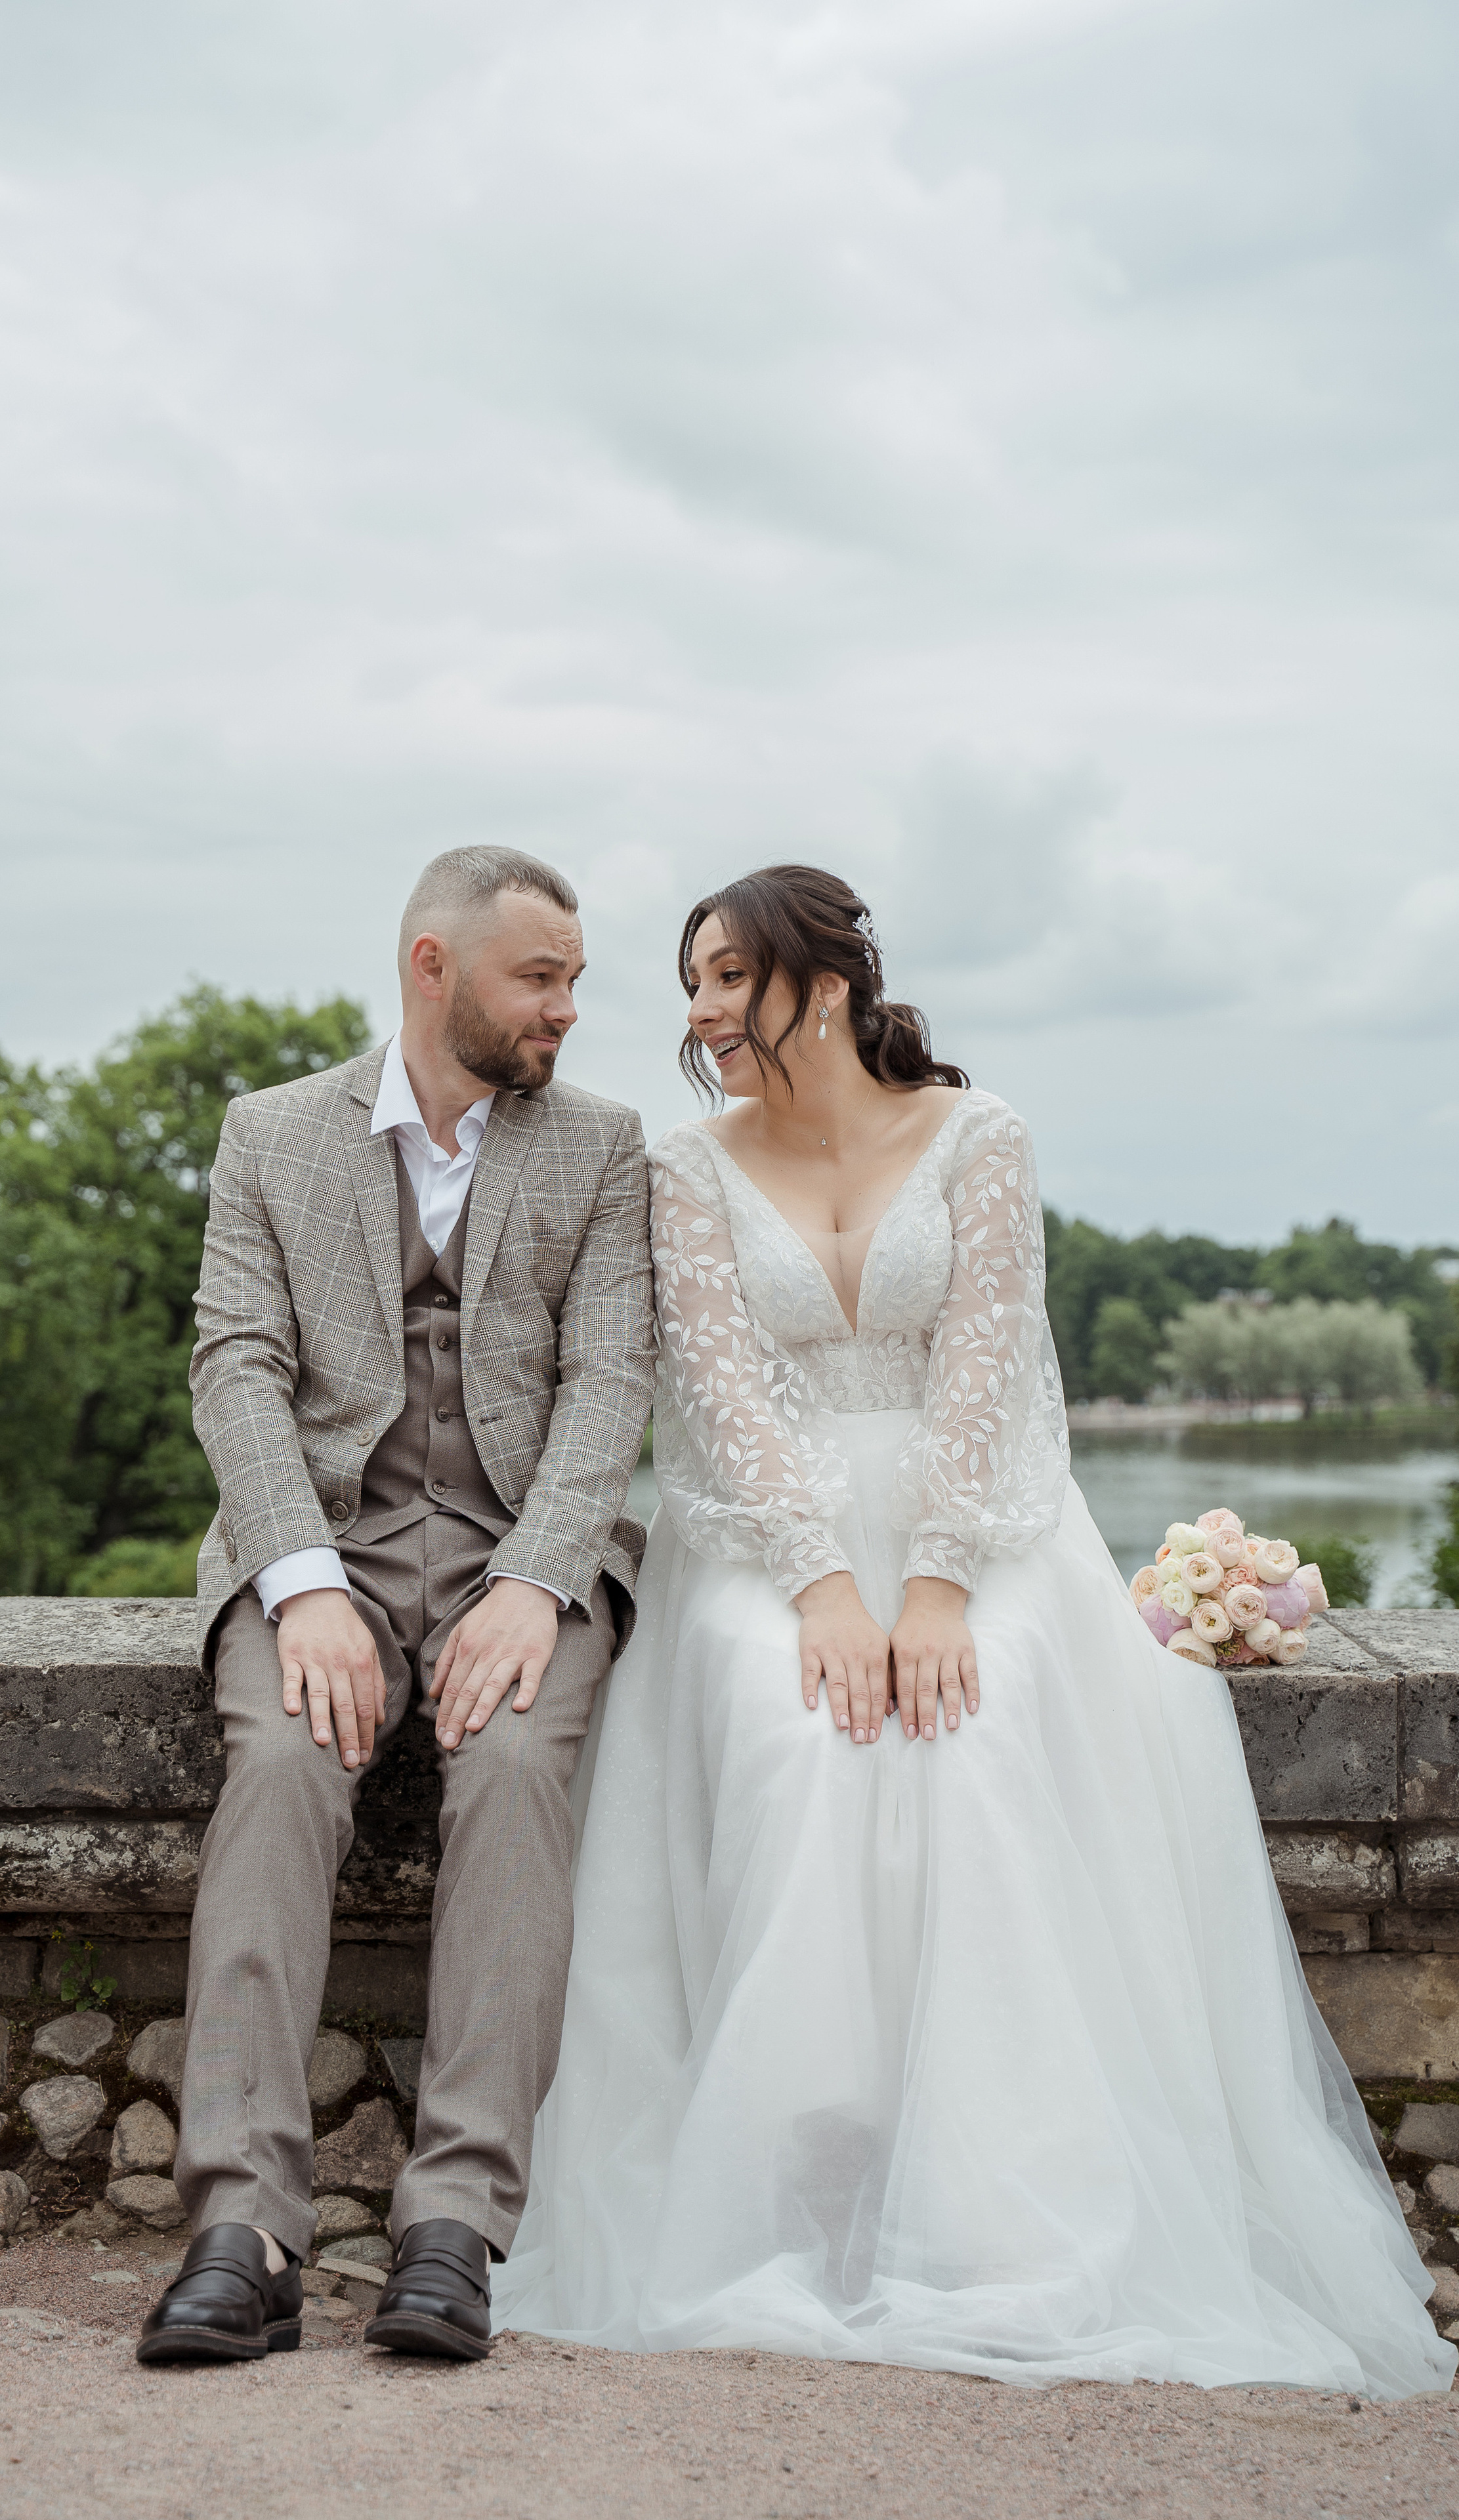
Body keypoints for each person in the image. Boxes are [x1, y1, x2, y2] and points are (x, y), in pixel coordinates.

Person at [490, 864, 1454, 2399]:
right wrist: (820, 1589)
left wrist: (933, 1585)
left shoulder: (979, 1137)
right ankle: (796, 2190)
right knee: (796, 1732)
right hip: (764, 1537)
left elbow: (991, 1376)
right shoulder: (684, 1166)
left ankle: (1005, 2210)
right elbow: (718, 1405)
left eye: (728, 977)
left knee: (979, 1728)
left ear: (826, 980)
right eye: (691, 985)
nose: (699, 1012)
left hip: (978, 1521)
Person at [138, 847, 654, 2366]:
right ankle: (241, 2228)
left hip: (521, 1549)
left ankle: (454, 2226)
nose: (566, 1007)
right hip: (323, 1550)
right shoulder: (270, 1136)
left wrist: (539, 1577)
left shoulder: (602, 1148)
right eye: (538, 977)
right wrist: (299, 1588)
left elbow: (606, 1380)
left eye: (573, 977)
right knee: (284, 1771)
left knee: (509, 1771)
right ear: (433, 967)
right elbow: (234, 1364)